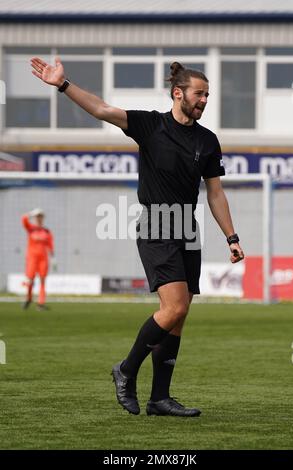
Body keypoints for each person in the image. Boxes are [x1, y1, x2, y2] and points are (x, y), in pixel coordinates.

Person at [30, 56, 244, 417]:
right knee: (172, 307)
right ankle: (126, 370)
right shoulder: (149, 125)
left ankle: (160, 398)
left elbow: (215, 192)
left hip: (187, 228)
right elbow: (101, 109)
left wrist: (231, 237)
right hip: (157, 225)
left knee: (180, 315)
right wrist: (64, 85)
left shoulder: (208, 141)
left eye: (208, 94)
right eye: (199, 93)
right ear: (178, 93)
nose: (205, 100)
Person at [22, 208, 55, 311]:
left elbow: (50, 245)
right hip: (32, 258)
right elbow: (23, 219)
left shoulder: (46, 231)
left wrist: (53, 258)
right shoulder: (31, 228)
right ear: (35, 218)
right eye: (38, 216)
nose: (39, 218)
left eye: (41, 216)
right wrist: (30, 214)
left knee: (42, 280)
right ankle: (29, 298)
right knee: (30, 280)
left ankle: (40, 303)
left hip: (43, 258)